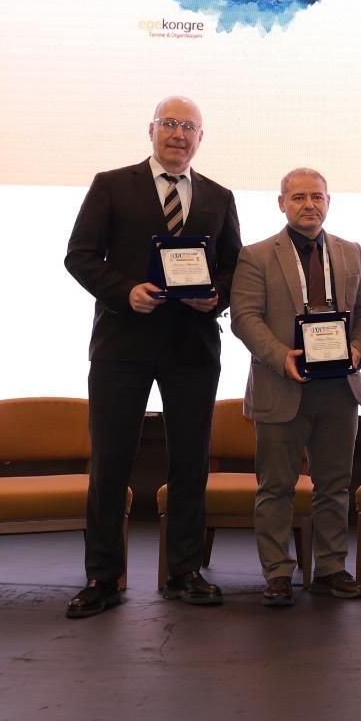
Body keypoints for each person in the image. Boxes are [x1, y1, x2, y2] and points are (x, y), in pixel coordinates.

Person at [63, 95, 242, 617]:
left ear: (201, 138)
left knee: (190, 461)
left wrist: (218, 297)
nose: (179, 134)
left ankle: (184, 572)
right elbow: (79, 255)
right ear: (151, 129)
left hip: (193, 347)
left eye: (189, 127)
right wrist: (124, 292)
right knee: (111, 462)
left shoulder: (219, 196)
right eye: (170, 124)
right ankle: (103, 577)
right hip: (122, 345)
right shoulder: (111, 185)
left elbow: (234, 267)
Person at [230, 168, 361, 607]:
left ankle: (330, 568)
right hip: (280, 386)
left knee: (335, 486)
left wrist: (358, 348)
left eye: (316, 196)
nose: (309, 205)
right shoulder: (255, 255)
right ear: (282, 204)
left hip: (339, 389)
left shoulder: (351, 252)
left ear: (328, 201)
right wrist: (281, 356)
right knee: (276, 487)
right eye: (298, 197)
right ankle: (277, 573)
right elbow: (244, 317)